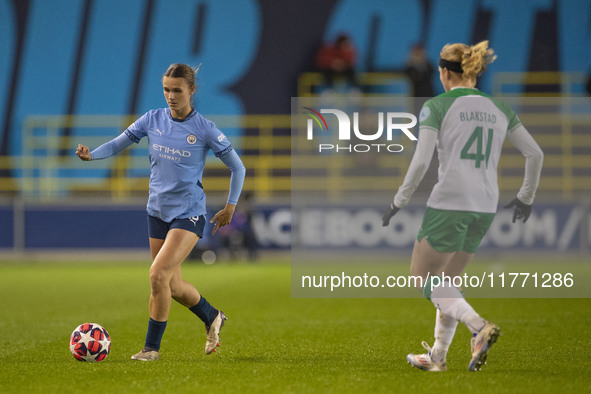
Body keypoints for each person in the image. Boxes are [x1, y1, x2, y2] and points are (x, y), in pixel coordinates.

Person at [382, 41, 543, 372]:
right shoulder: (499, 107)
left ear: (443, 72)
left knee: (421, 278)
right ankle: (438, 357)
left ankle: (477, 326)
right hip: (485, 204)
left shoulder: (437, 106)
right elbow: (535, 154)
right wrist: (526, 196)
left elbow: (421, 161)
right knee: (447, 282)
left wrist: (399, 199)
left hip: (451, 200)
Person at [76, 63, 246, 361]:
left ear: (191, 90)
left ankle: (151, 349)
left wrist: (231, 205)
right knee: (173, 285)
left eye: (177, 90)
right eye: (166, 89)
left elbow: (238, 167)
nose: (171, 96)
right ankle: (212, 316)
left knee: (157, 275)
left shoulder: (204, 128)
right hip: (157, 212)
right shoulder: (152, 119)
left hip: (189, 214)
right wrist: (93, 155)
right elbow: (118, 144)